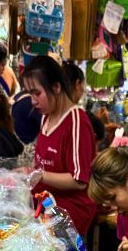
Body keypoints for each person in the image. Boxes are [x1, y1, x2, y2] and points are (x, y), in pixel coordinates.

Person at [23, 55, 98, 237]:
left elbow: (79, 181)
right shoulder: (46, 118)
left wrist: (38, 174)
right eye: (29, 94)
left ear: (56, 87)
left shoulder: (76, 121)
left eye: (36, 93)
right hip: (46, 200)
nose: (32, 101)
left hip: (70, 208)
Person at [62, 60, 108, 147]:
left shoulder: (53, 111)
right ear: (77, 84)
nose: (84, 89)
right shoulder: (77, 119)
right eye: (84, 84)